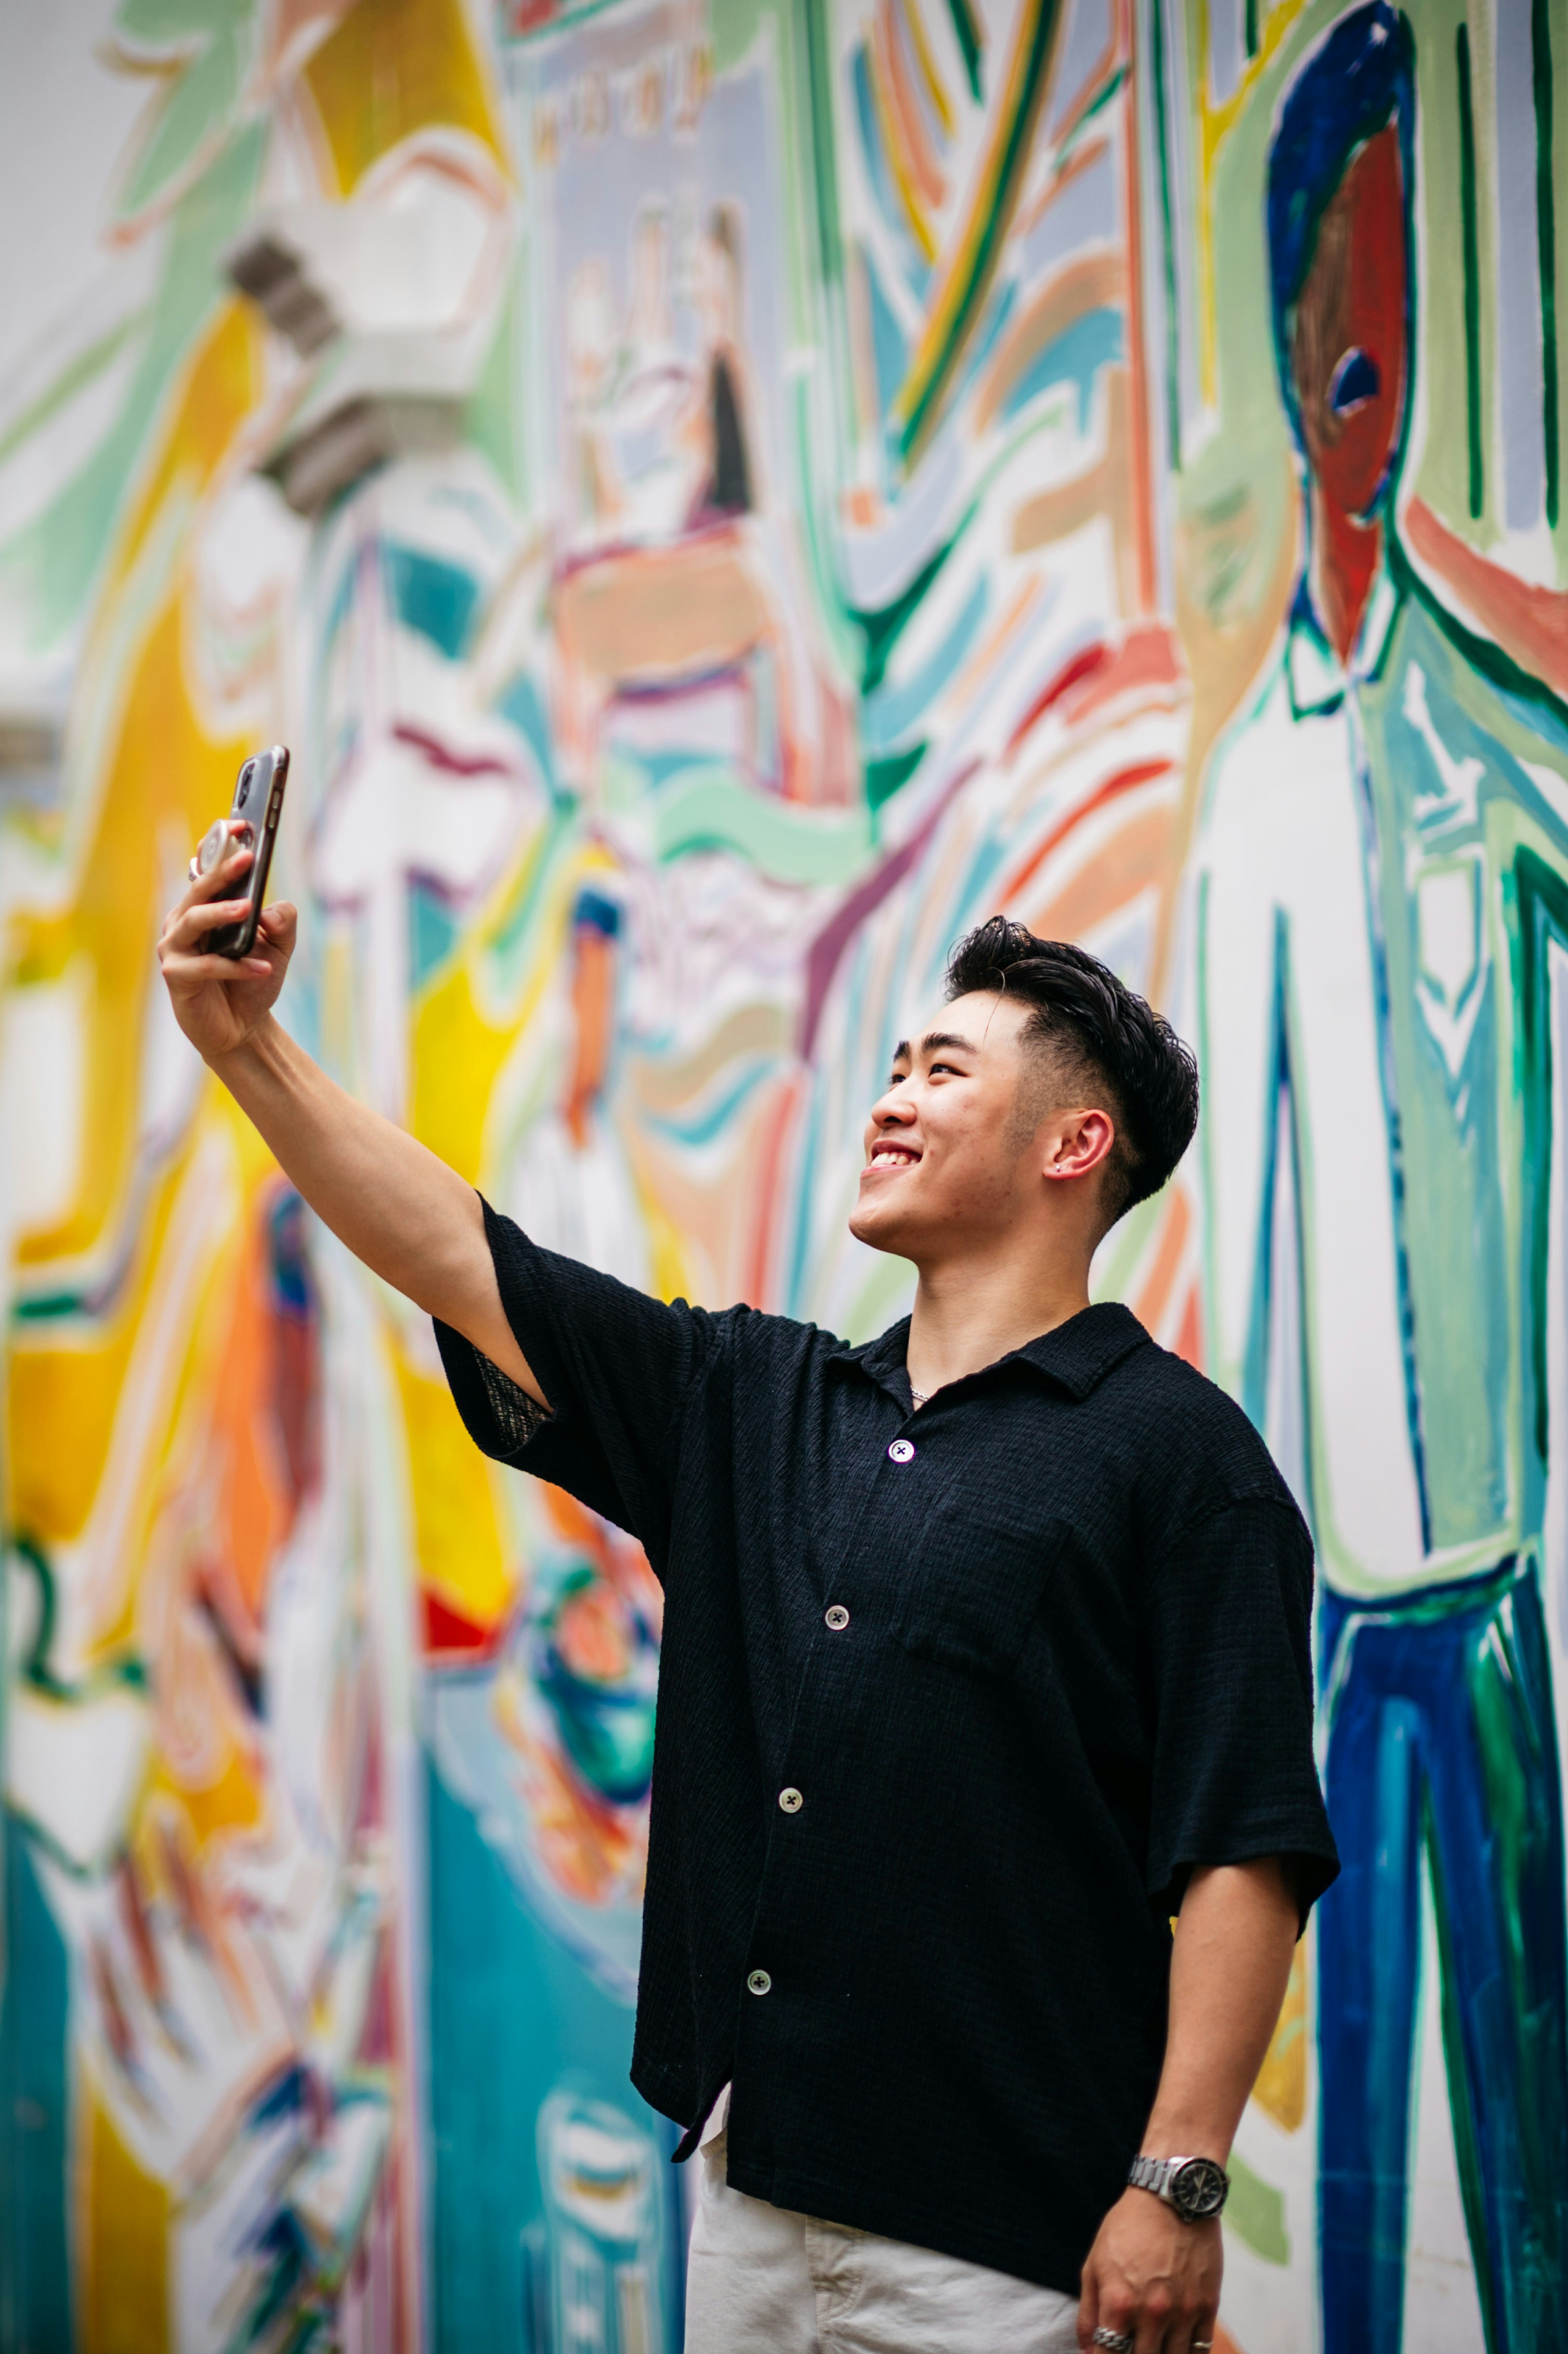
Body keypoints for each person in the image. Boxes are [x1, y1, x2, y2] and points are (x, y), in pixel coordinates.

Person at [158, 858, 1338, 2352]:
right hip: (747, 2204)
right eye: (896, 1066)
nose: (891, 1097)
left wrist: (1175, 2186)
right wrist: (245, 1043)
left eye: (944, 1071)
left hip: (1011, 2249)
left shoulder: (1185, 1464)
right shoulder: (757, 1400)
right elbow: (464, 1258)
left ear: (1076, 1144)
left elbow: (1243, 1845)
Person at [1195, 8, 1568, 2344]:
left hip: (1505, 1596)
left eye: (1401, 367)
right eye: (1344, 373)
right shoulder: (1248, 804)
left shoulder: (1487, 739)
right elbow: (1237, 1245)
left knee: (1524, 2159)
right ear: (1291, 354)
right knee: (1346, 2174)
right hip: (1333, 1613)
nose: (1377, 424)